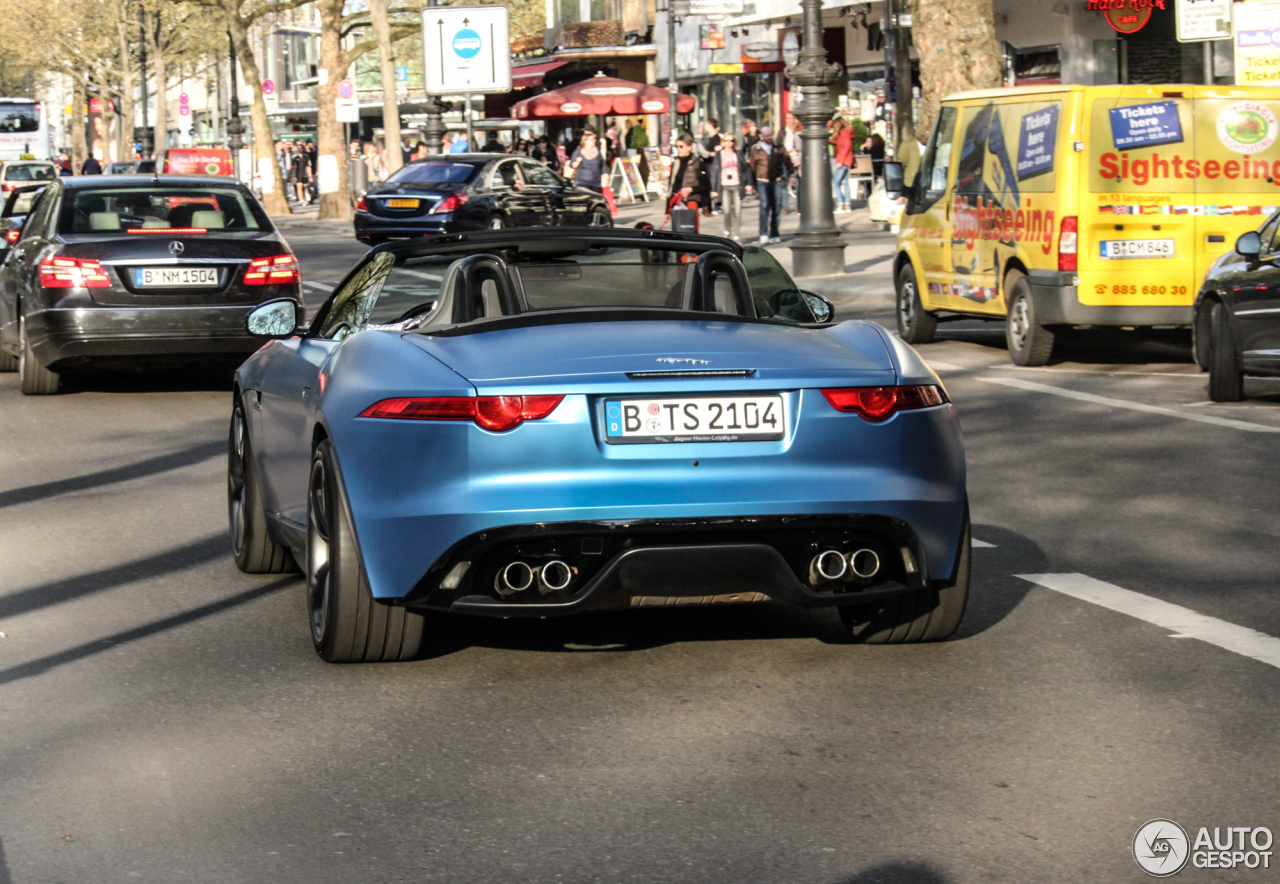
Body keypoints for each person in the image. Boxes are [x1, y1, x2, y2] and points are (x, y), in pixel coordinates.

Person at [747, 125, 794, 244]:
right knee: (764, 206)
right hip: (762, 181)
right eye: (767, 136)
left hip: (776, 181)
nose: (769, 138)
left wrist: (792, 175)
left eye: (770, 135)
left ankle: (774, 233)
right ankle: (763, 233)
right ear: (762, 136)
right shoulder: (756, 149)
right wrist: (752, 184)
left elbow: (787, 161)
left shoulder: (779, 147)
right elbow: (752, 167)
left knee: (776, 208)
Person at [662, 132, 710, 231]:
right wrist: (667, 211)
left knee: (690, 230)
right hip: (677, 202)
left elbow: (706, 185)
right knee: (677, 231)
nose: (678, 149)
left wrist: (691, 189)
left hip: (691, 200)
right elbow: (672, 187)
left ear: (689, 147)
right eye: (677, 147)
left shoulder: (697, 162)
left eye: (681, 146)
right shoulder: (676, 162)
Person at [709, 132, 751, 242]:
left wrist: (749, 183)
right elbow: (714, 171)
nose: (729, 142)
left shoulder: (738, 153)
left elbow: (746, 168)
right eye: (726, 140)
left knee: (737, 211)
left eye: (731, 140)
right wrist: (713, 189)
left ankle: (736, 236)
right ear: (723, 142)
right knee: (727, 210)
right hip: (724, 185)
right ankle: (727, 232)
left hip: (737, 184)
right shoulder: (719, 154)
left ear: (734, 142)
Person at [830, 117, 855, 213]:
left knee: (835, 182)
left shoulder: (844, 134)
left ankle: (840, 203)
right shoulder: (848, 133)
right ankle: (847, 204)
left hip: (843, 161)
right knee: (845, 183)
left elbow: (845, 148)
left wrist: (840, 160)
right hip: (848, 161)